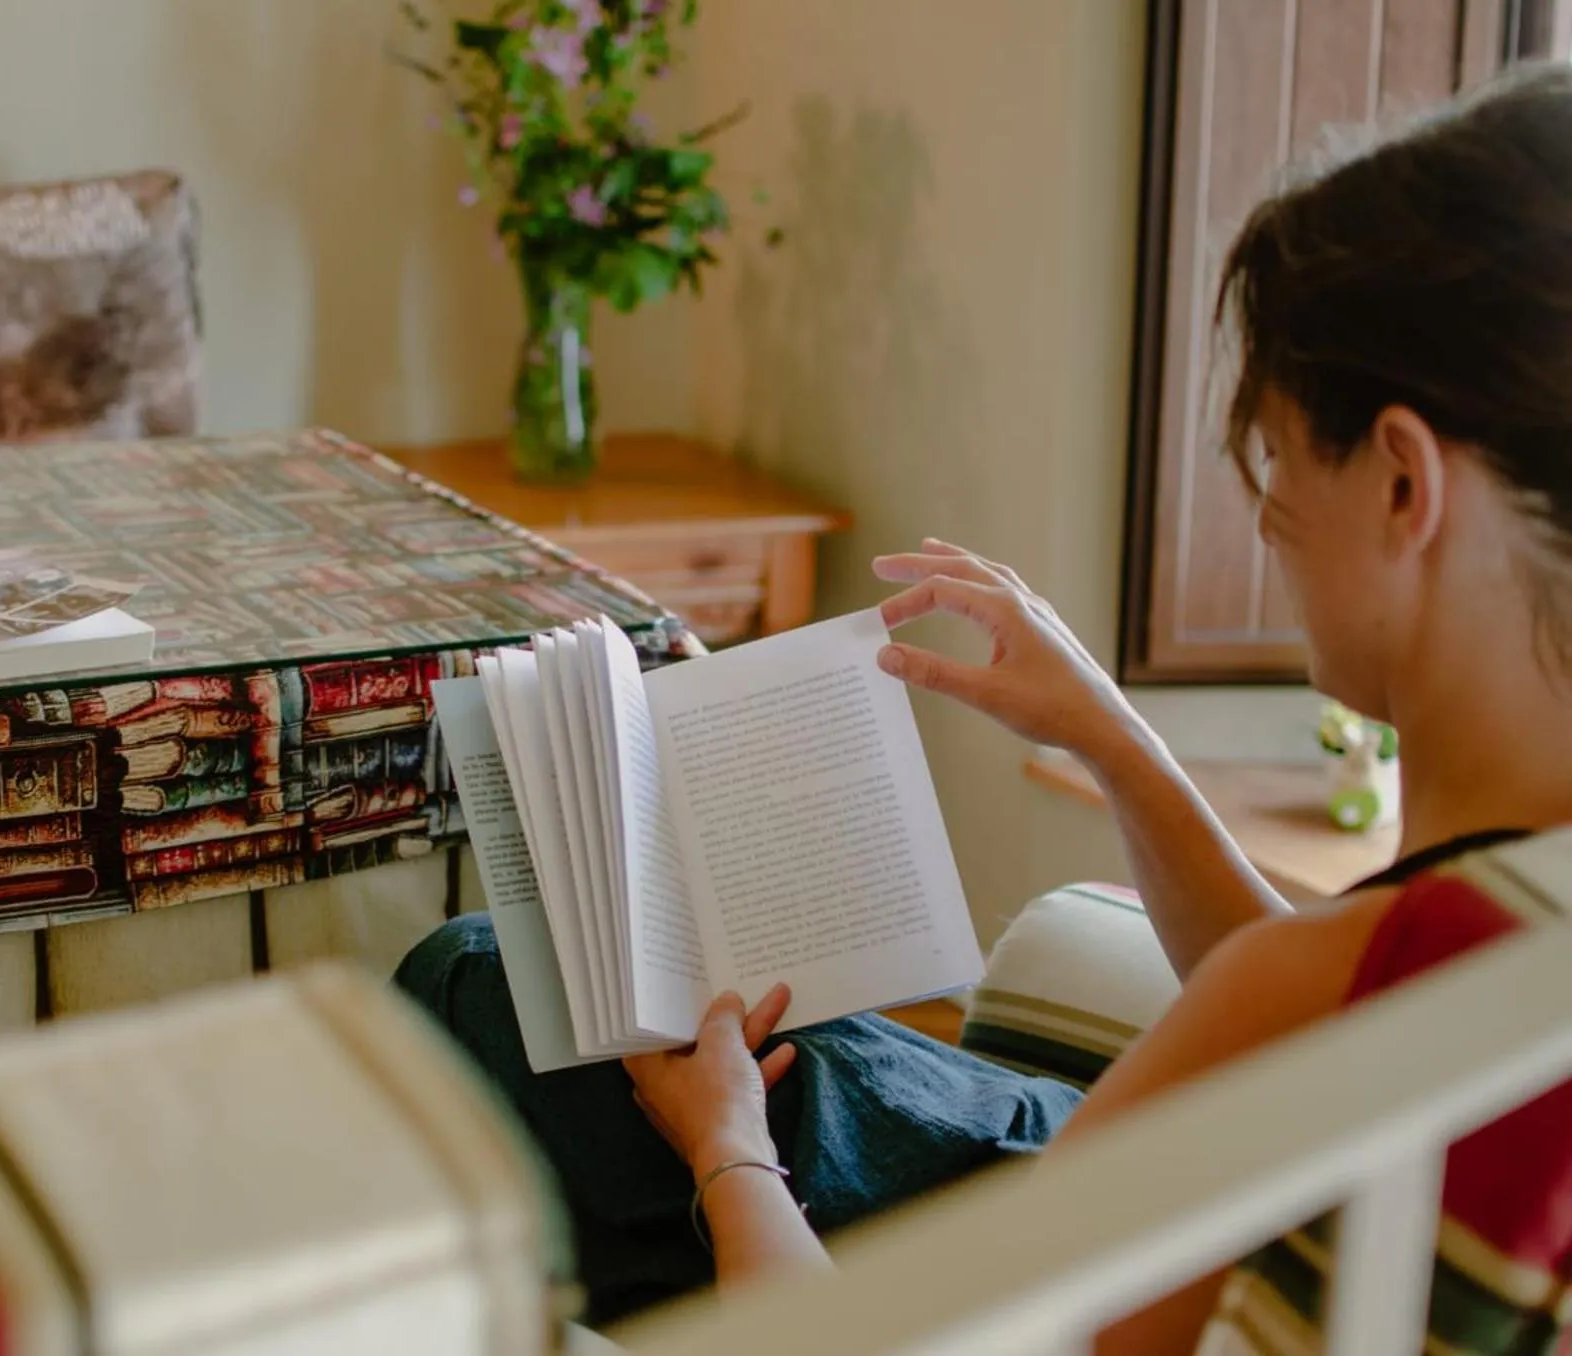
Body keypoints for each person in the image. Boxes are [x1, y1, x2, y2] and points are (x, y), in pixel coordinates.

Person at [398, 62, 1572, 1351]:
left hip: (972, 1273)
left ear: (1404, 484)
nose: (1268, 519)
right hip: (1129, 1198)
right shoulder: (1484, 949)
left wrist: (727, 1145)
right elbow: (1336, 1001)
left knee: (475, 990)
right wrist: (1111, 737)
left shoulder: (1304, 991)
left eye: (1280, 458)